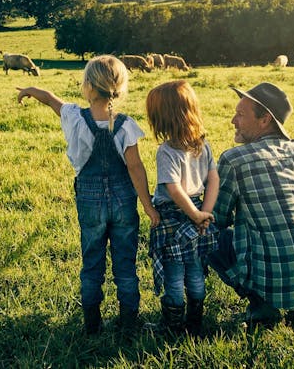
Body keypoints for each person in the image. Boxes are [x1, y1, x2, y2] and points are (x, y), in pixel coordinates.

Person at [16, 54, 160, 335]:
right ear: (119, 87)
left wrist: (30, 91)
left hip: (90, 200)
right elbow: (135, 167)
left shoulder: (74, 116)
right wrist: (148, 206)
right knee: (126, 264)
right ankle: (129, 322)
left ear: (88, 87)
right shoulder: (126, 124)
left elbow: (50, 99)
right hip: (123, 200)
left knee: (92, 260)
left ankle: (92, 324)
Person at [208, 82, 294, 328]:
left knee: (205, 233)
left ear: (265, 119)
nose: (233, 121)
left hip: (274, 281)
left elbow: (216, 217)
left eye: (240, 114)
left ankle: (261, 304)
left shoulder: (235, 159)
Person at [145, 80, 218, 336]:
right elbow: (213, 180)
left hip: (174, 219)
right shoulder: (203, 145)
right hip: (198, 213)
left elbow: (174, 190)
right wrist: (203, 213)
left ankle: (173, 326)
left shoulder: (166, 151)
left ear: (163, 118)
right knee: (196, 270)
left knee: (174, 275)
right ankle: (195, 323)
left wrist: (196, 214)